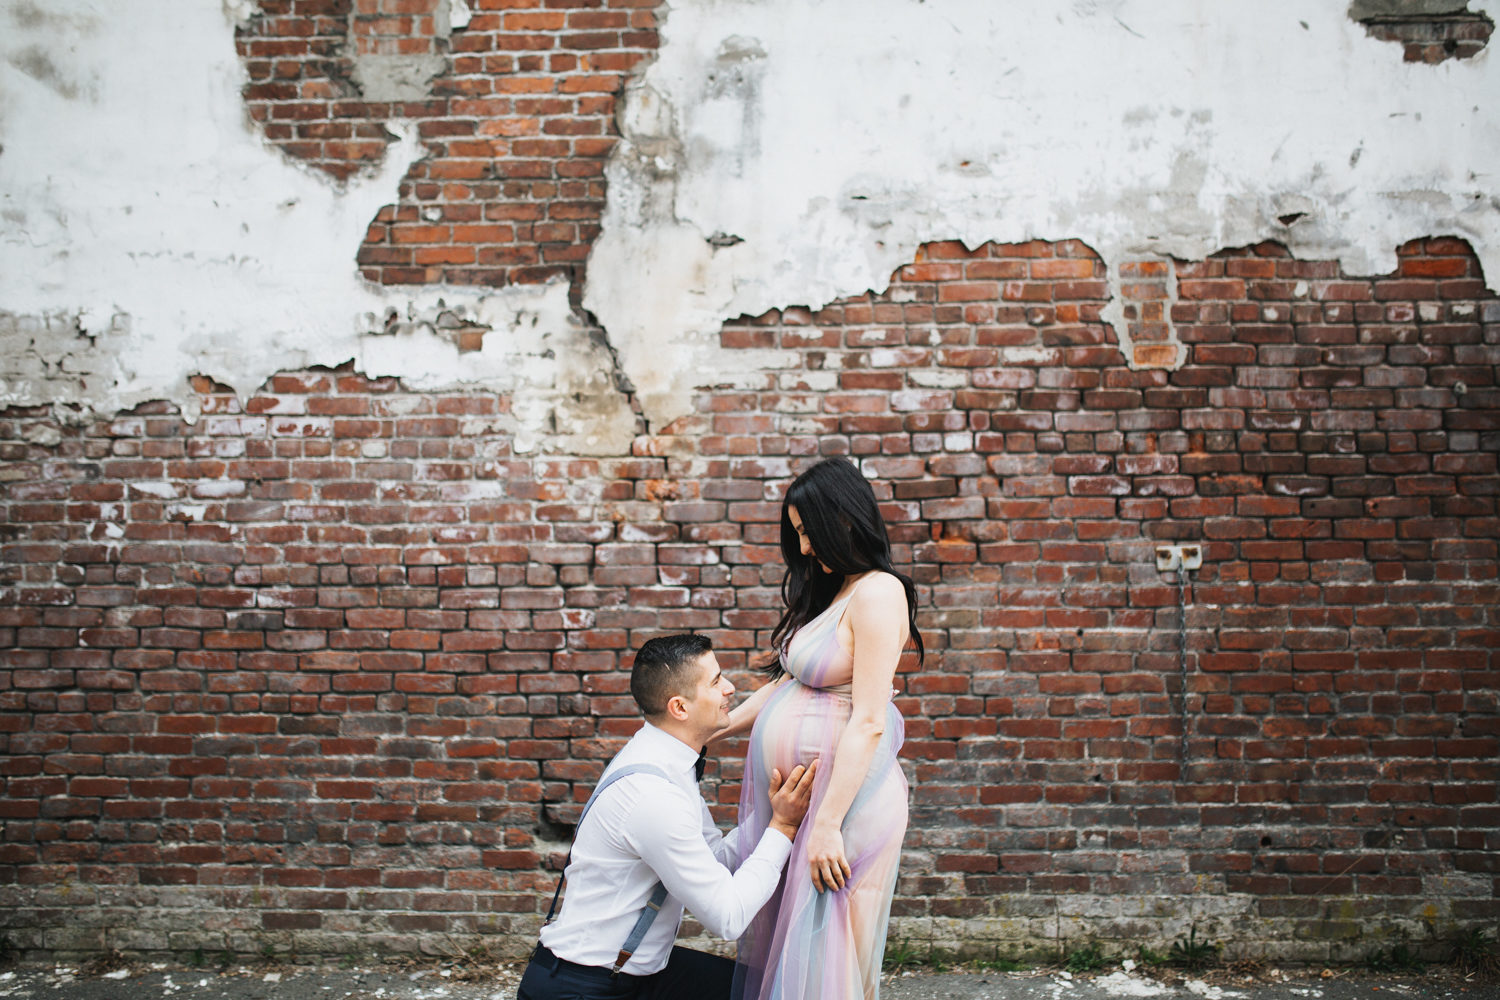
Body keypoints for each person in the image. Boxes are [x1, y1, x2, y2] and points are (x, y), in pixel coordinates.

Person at [715, 456, 924, 1000]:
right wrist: (697, 735)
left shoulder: (878, 593)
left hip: (844, 806)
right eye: (798, 534)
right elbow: (781, 687)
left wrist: (827, 823)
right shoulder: (834, 592)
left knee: (831, 958)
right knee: (794, 954)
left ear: (845, 518)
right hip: (804, 807)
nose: (804, 548)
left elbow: (872, 719)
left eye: (809, 531)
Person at [517, 632, 818, 1000]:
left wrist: (769, 815)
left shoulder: (667, 761)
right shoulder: (653, 795)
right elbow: (728, 917)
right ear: (679, 708)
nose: (730, 687)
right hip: (583, 987)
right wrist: (783, 826)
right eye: (716, 680)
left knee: (764, 989)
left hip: (638, 972)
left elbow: (716, 861)